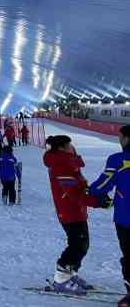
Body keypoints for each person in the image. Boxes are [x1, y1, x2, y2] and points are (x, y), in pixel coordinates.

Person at [45, 135, 102, 296]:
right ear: (62, 147)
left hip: (76, 209)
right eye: (70, 145)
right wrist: (96, 201)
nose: (73, 148)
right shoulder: (61, 164)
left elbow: (79, 186)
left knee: (82, 243)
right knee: (78, 244)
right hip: (69, 210)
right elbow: (73, 192)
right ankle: (61, 279)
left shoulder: (68, 163)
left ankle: (70, 274)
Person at [89, 125, 130, 306]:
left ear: (127, 138)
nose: (119, 141)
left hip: (126, 217)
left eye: (120, 137)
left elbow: (102, 185)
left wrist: (91, 190)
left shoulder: (119, 160)